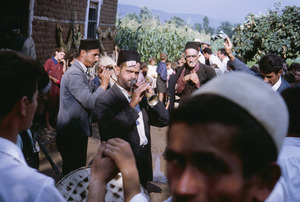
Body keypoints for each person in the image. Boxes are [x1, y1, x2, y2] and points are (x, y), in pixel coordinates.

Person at [94, 50, 169, 189]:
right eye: (129, 71)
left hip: (143, 161)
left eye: (136, 72)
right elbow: (109, 133)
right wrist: (132, 104)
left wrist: (153, 99)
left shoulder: (140, 96)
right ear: (117, 70)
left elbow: (164, 120)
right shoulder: (105, 99)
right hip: (121, 166)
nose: (133, 77)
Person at [0, 50, 65, 201]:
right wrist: (97, 182)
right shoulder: (36, 189)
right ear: (23, 105)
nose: (38, 104)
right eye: (36, 97)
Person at [56, 39, 113, 176]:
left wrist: (100, 81)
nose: (97, 59)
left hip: (77, 132)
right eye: (94, 55)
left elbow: (94, 93)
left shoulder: (83, 72)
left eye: (97, 55)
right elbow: (90, 102)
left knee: (75, 171)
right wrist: (103, 85)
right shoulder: (75, 74)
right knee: (73, 174)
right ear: (83, 53)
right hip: (71, 134)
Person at [224, 37, 290, 92]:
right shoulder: (257, 78)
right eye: (262, 75)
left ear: (279, 72)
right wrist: (230, 54)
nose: (265, 80)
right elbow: (244, 69)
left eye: (269, 77)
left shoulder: (288, 92)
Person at [168, 41, 216, 110]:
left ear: (198, 56)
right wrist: (183, 81)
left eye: (193, 56)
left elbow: (213, 94)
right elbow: (177, 92)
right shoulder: (181, 70)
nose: (191, 60)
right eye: (188, 57)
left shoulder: (208, 71)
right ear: (184, 57)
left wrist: (198, 83)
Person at [44, 47, 66, 131]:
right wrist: (52, 79)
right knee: (49, 104)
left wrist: (64, 64)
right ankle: (47, 123)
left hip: (58, 86)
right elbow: (44, 73)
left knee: (56, 104)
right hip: (51, 85)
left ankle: (53, 122)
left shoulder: (60, 63)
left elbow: (64, 73)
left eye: (63, 55)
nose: (62, 57)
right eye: (61, 54)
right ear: (56, 52)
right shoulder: (50, 61)